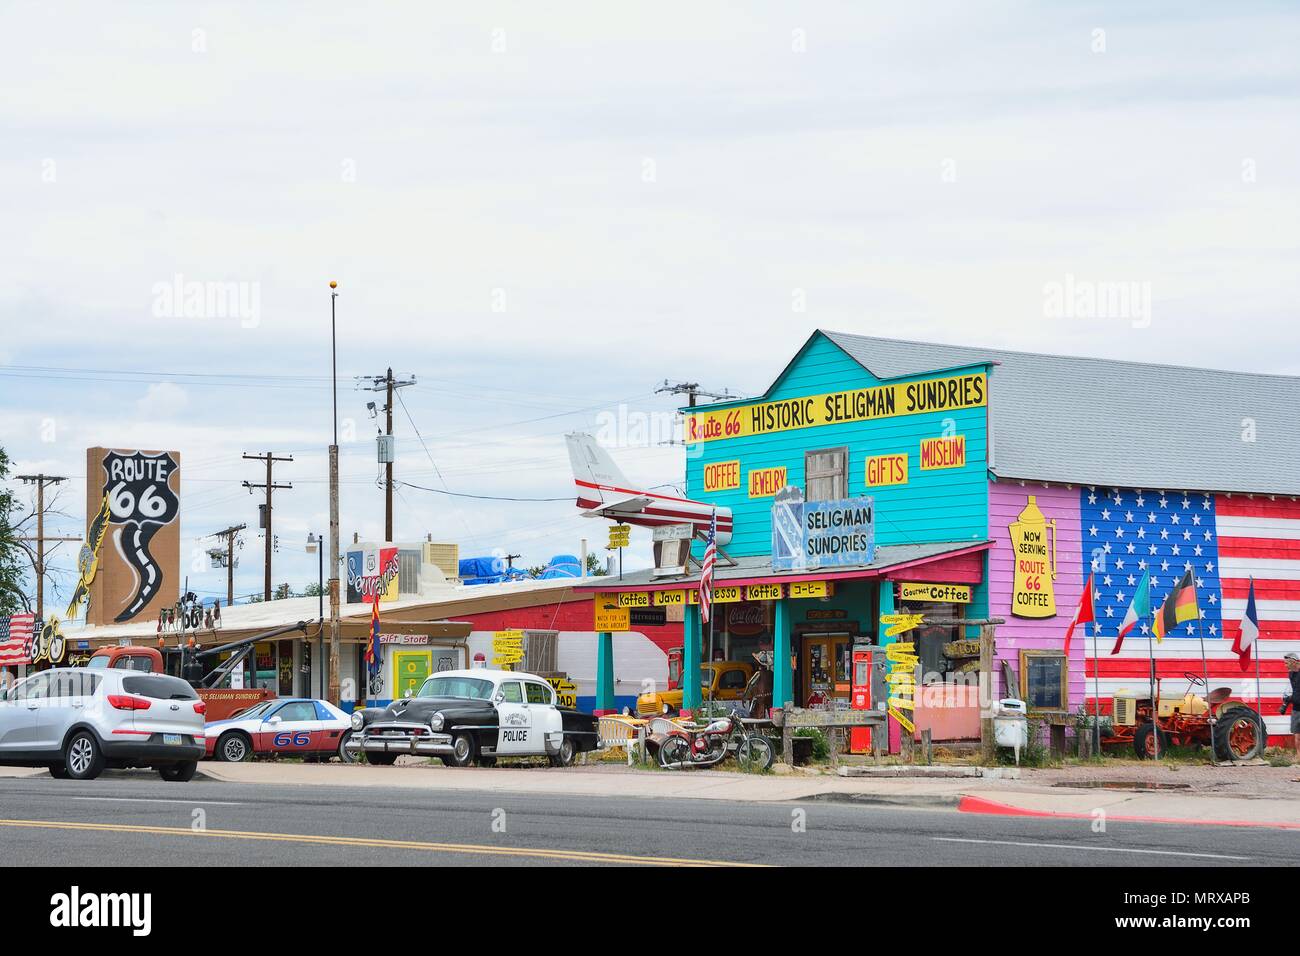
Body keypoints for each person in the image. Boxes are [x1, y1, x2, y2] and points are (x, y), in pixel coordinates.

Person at [1286, 653, 1300, 760]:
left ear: (1294, 661)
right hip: (1296, 709)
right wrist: (1288, 698)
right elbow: (1295, 690)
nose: (1285, 665)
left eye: (1287, 663)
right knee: (1297, 737)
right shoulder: (1290, 674)